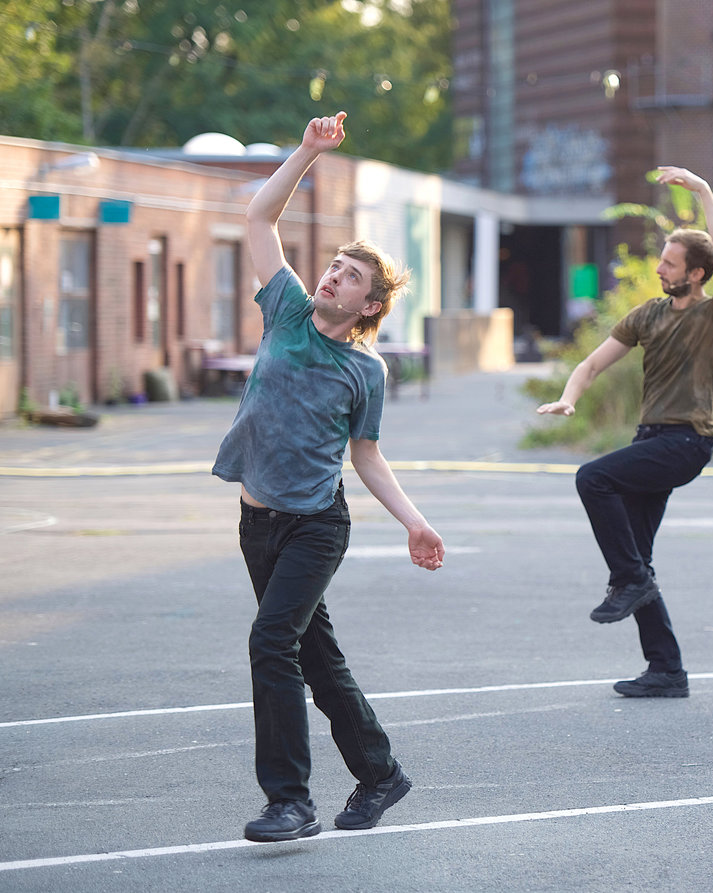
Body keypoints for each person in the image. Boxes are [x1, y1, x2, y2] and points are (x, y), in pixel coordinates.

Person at [212, 112, 446, 842]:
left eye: (350, 276)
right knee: (315, 655)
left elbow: (366, 455)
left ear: (369, 305)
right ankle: (380, 773)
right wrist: (308, 151)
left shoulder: (364, 369)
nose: (332, 274)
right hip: (258, 522)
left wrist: (415, 520)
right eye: (334, 266)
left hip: (317, 523)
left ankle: (290, 800)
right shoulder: (284, 311)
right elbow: (258, 215)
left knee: (270, 642)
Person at [537, 165, 713, 699]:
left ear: (696, 273)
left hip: (688, 440)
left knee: (592, 479)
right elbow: (592, 364)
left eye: (671, 263)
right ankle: (667, 669)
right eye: (662, 260)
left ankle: (628, 582)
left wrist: (701, 191)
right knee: (639, 558)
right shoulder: (648, 315)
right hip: (650, 440)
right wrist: (569, 397)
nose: (660, 269)